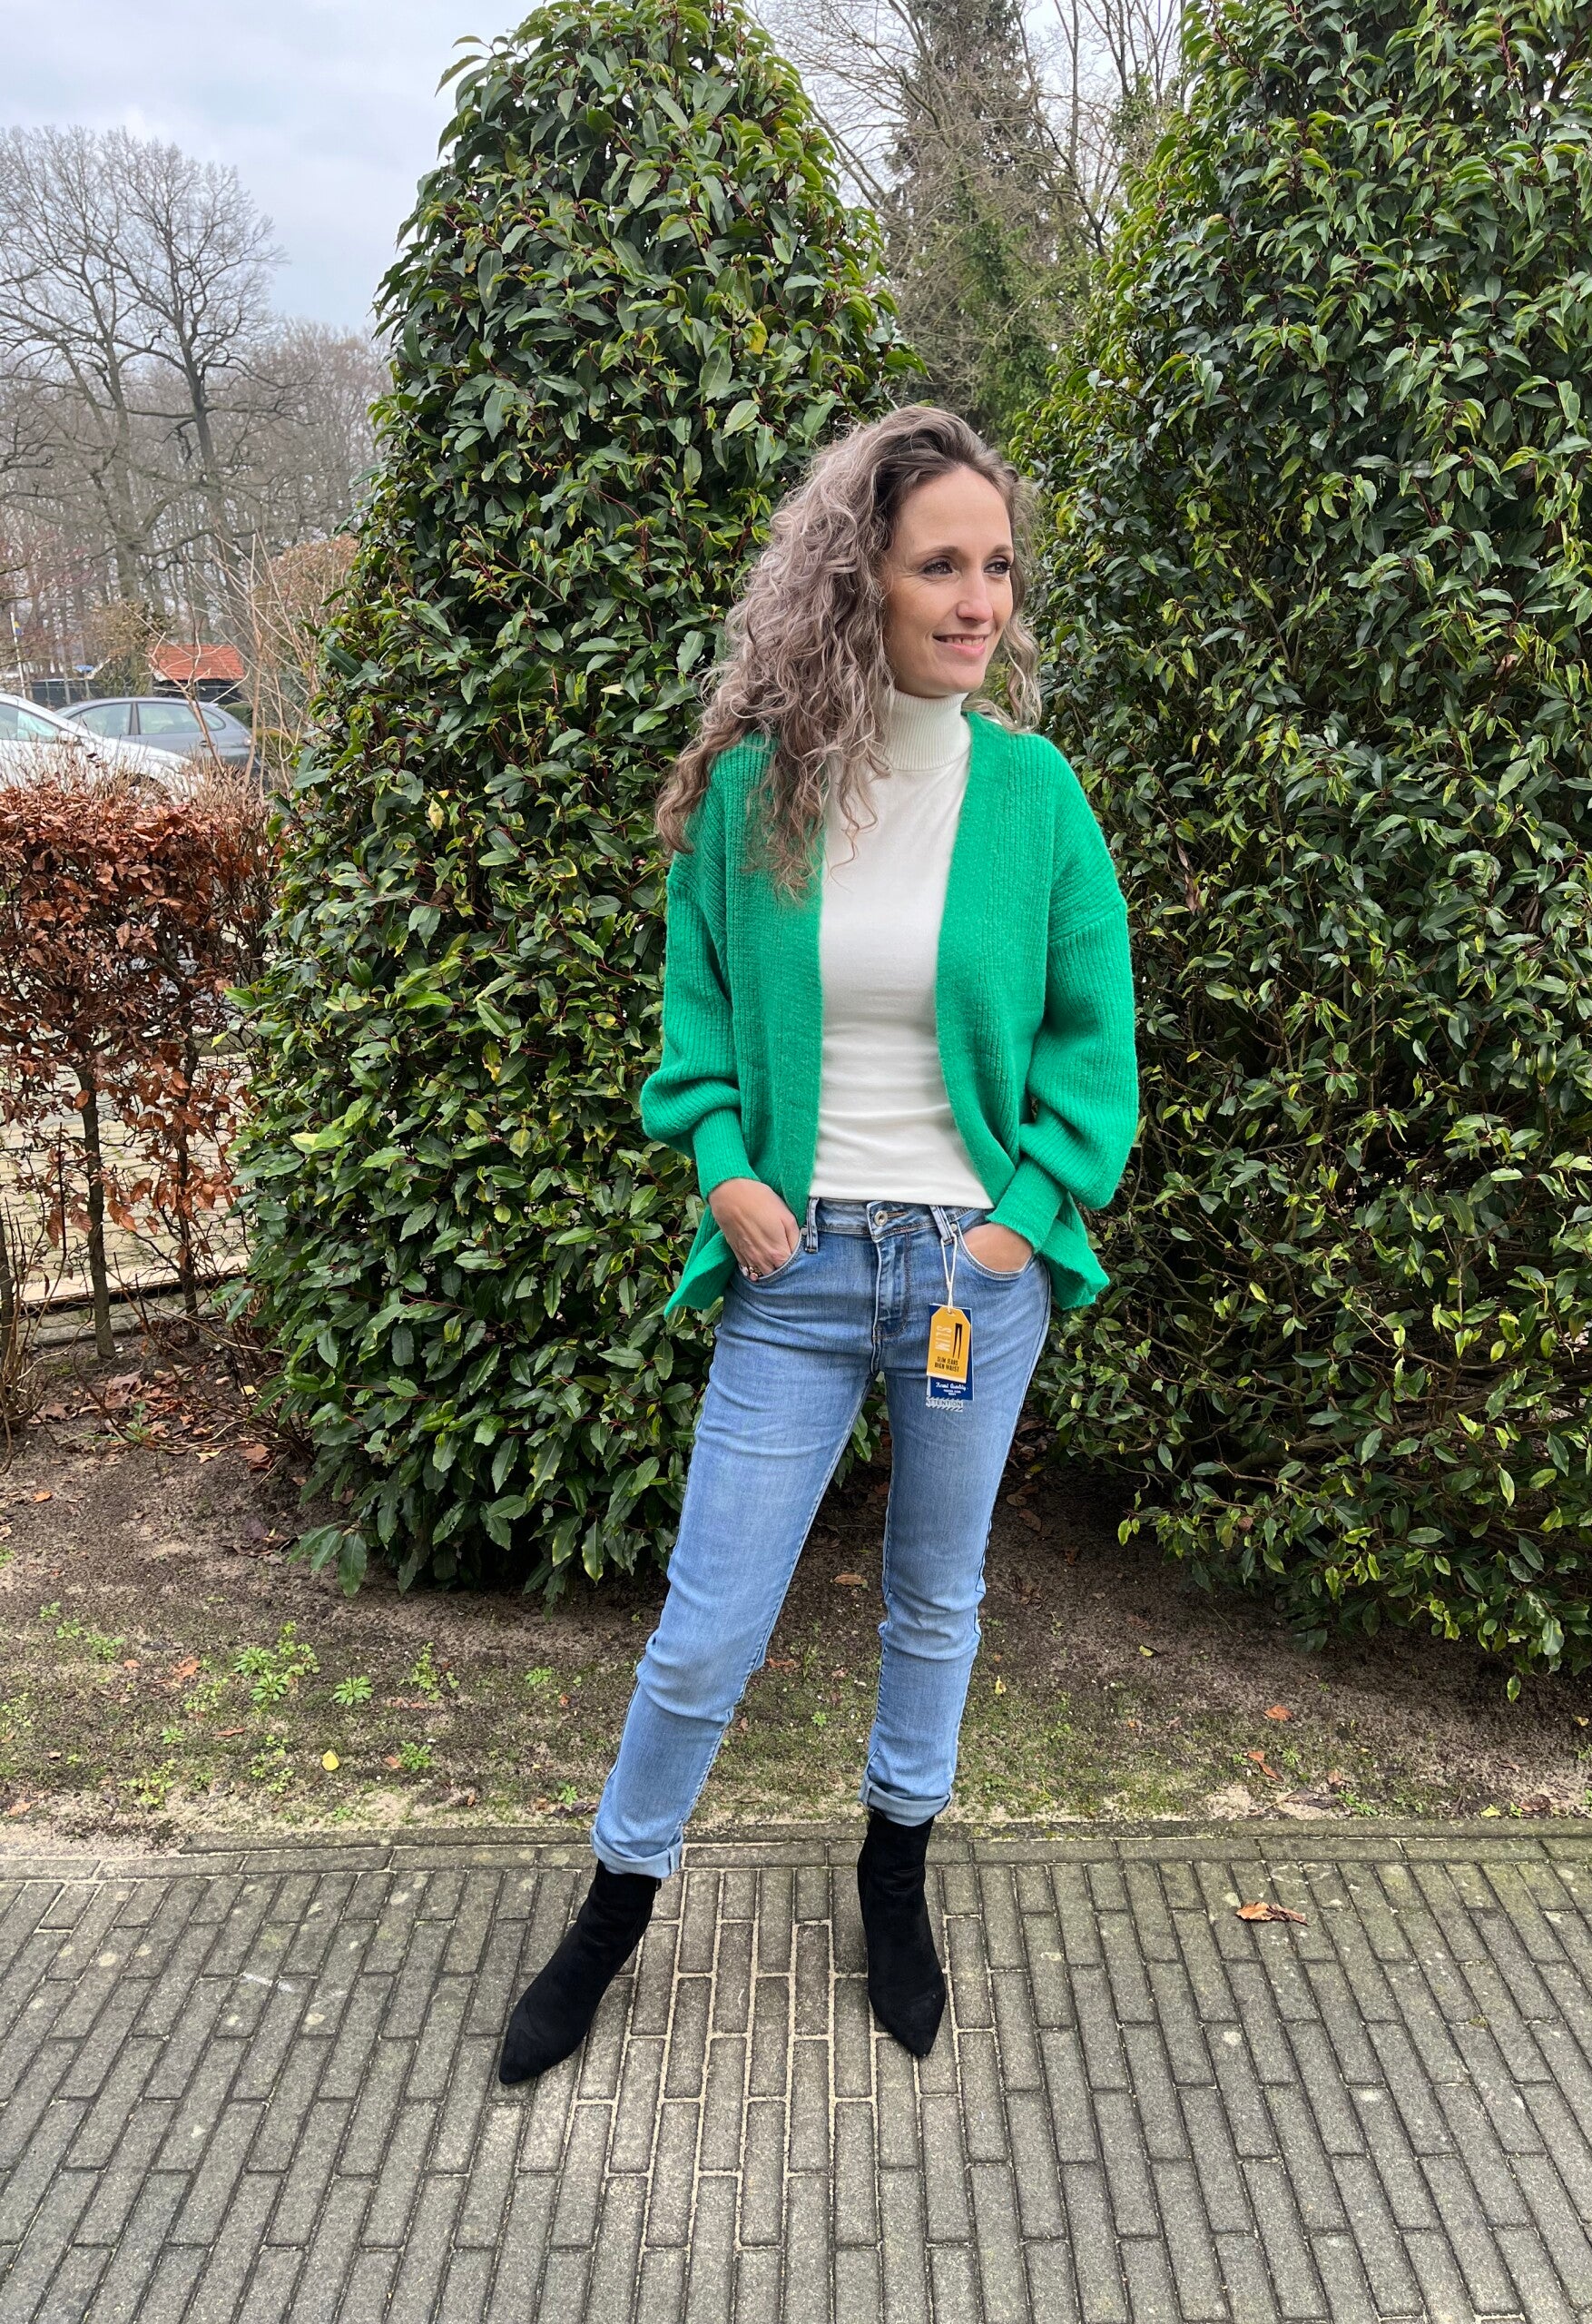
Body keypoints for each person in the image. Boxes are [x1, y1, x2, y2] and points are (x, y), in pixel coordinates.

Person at [498, 405, 1139, 2087]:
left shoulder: (1035, 796)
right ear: (860, 580)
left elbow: (1096, 1051)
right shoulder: (757, 794)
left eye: (999, 567)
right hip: (794, 1276)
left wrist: (1021, 1227)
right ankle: (614, 1908)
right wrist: (721, 1165)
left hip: (968, 1273)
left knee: (935, 1600)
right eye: (942, 566)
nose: (980, 600)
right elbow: (698, 1006)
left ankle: (894, 1874)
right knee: (710, 1624)